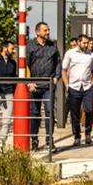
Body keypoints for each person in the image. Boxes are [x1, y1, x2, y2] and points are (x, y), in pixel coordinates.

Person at [27, 21, 61, 152]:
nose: (47, 32)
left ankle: (49, 140)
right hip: (34, 85)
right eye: (45, 30)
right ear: (38, 32)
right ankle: (34, 140)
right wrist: (29, 82)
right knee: (35, 113)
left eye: (48, 30)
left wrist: (56, 78)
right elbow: (25, 65)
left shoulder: (53, 46)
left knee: (49, 112)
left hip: (48, 85)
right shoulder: (30, 46)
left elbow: (58, 62)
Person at [62, 34, 93, 146]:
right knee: (75, 113)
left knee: (89, 109)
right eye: (84, 43)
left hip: (87, 87)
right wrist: (67, 85)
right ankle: (77, 136)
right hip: (74, 87)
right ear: (78, 42)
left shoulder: (91, 55)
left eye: (87, 43)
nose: (86, 45)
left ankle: (88, 133)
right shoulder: (70, 53)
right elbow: (63, 69)